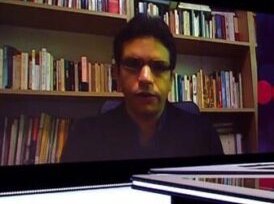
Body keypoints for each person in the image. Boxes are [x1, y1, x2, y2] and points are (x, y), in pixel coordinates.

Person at [61, 14, 223, 162]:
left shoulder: (204, 135)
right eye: (133, 64)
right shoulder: (83, 137)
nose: (145, 78)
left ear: (171, 80)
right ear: (116, 74)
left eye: (159, 67)